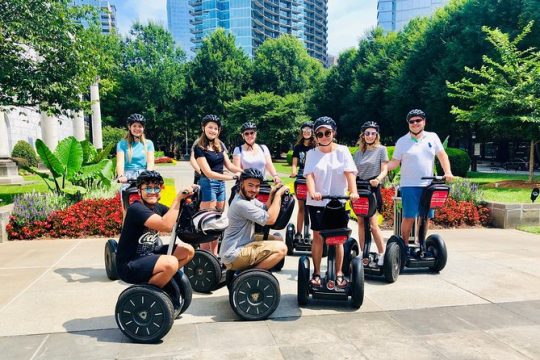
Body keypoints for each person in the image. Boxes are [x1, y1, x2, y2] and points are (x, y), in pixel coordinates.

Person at [116, 170, 195, 295]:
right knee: (171, 262)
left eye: (156, 188)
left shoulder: (158, 207)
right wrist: (177, 199)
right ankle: (149, 294)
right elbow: (166, 225)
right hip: (130, 263)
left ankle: (161, 280)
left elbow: (180, 218)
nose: (152, 192)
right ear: (139, 191)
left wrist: (189, 200)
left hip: (149, 253)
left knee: (188, 251)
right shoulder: (136, 209)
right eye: (147, 188)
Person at [387, 109, 454, 253]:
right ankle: (404, 246)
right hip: (409, 185)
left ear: (424, 122)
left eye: (418, 120)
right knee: (409, 216)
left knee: (425, 217)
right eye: (412, 121)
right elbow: (394, 162)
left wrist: (447, 172)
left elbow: (442, 156)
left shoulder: (432, 137)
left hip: (428, 185)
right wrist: (383, 169)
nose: (415, 123)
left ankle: (421, 244)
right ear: (408, 124)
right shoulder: (402, 141)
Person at [303, 116, 359, 288]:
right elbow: (309, 176)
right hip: (318, 203)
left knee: (338, 239)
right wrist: (313, 192)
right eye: (319, 134)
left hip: (338, 202)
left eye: (327, 132)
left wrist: (353, 191)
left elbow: (349, 173)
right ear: (315, 136)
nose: (324, 136)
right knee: (318, 237)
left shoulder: (342, 151)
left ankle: (340, 273)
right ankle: (317, 273)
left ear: (333, 132)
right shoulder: (312, 153)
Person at [219, 168, 288, 271]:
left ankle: (251, 272)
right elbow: (270, 219)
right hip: (234, 254)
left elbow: (265, 209)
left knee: (278, 240)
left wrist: (272, 193)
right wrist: (278, 195)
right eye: (250, 185)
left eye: (257, 186)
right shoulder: (241, 204)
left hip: (244, 244)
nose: (254, 190)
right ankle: (248, 275)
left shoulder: (248, 199)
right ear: (242, 183)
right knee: (281, 249)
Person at [194, 114, 243, 255]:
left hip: (220, 185)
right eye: (210, 127)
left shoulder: (219, 145)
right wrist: (230, 177)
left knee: (217, 220)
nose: (213, 130)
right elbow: (208, 172)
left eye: (216, 128)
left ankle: (214, 254)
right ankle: (204, 255)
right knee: (206, 221)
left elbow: (230, 165)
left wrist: (244, 172)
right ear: (203, 128)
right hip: (207, 183)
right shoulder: (199, 147)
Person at [353, 121, 389, 266]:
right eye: (367, 133)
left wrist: (378, 179)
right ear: (363, 135)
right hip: (359, 187)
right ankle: (363, 253)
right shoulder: (357, 153)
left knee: (373, 224)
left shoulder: (381, 149)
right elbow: (353, 171)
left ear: (376, 135)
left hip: (372, 188)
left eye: (373, 133)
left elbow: (385, 169)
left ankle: (382, 253)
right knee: (361, 222)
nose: (370, 136)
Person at [290, 121, 316, 242]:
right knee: (301, 207)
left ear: (312, 132)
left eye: (308, 130)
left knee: (311, 208)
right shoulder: (298, 147)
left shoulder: (316, 146)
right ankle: (299, 233)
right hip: (301, 178)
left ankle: (311, 233)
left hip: (314, 178)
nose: (306, 132)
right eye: (304, 130)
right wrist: (294, 171)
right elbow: (295, 163)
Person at [116, 113, 155, 184]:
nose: (137, 128)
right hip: (127, 176)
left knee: (152, 193)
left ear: (143, 128)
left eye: (140, 126)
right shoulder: (121, 144)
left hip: (144, 175)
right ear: (129, 127)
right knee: (124, 192)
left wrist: (148, 175)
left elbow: (150, 163)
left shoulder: (149, 143)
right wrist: (121, 175)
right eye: (134, 126)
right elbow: (120, 163)